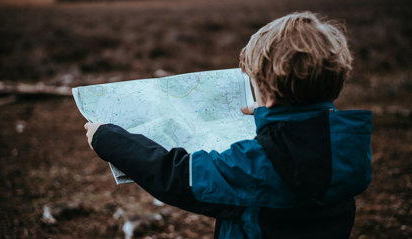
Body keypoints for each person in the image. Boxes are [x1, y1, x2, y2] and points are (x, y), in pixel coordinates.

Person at [84, 11, 372, 239]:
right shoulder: (349, 146)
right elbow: (304, 138)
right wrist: (270, 115)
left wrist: (108, 139)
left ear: (268, 95)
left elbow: (179, 177)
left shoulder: (255, 165)